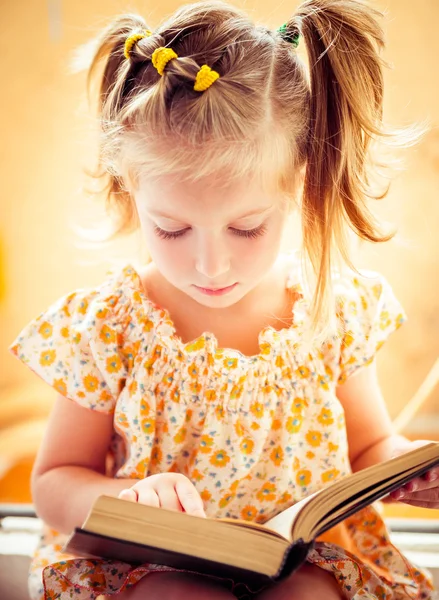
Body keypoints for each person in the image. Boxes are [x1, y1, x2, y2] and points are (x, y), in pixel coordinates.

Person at [10, 1, 438, 599]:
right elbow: (53, 483)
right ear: (130, 189)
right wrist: (129, 499)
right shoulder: (111, 326)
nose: (211, 265)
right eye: (171, 230)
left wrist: (411, 467)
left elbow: (371, 445)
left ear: (298, 182)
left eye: (246, 228)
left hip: (302, 559)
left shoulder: (328, 309)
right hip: (150, 568)